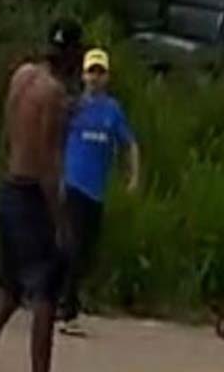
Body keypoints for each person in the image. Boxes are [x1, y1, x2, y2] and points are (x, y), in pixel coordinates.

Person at [0, 18, 84, 372]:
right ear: (72, 54)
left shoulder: (22, 76)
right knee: (45, 295)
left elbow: (11, 134)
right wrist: (60, 221)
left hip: (10, 188)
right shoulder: (54, 95)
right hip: (32, 197)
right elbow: (49, 163)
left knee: (9, 292)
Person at [58, 47, 140, 335]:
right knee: (73, 246)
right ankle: (67, 310)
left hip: (96, 191)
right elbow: (55, 138)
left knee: (86, 252)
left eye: (100, 72)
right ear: (83, 76)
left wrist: (133, 177)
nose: (95, 77)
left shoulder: (112, 110)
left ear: (106, 77)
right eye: (91, 72)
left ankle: (59, 296)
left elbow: (129, 144)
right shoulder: (73, 107)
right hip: (73, 185)